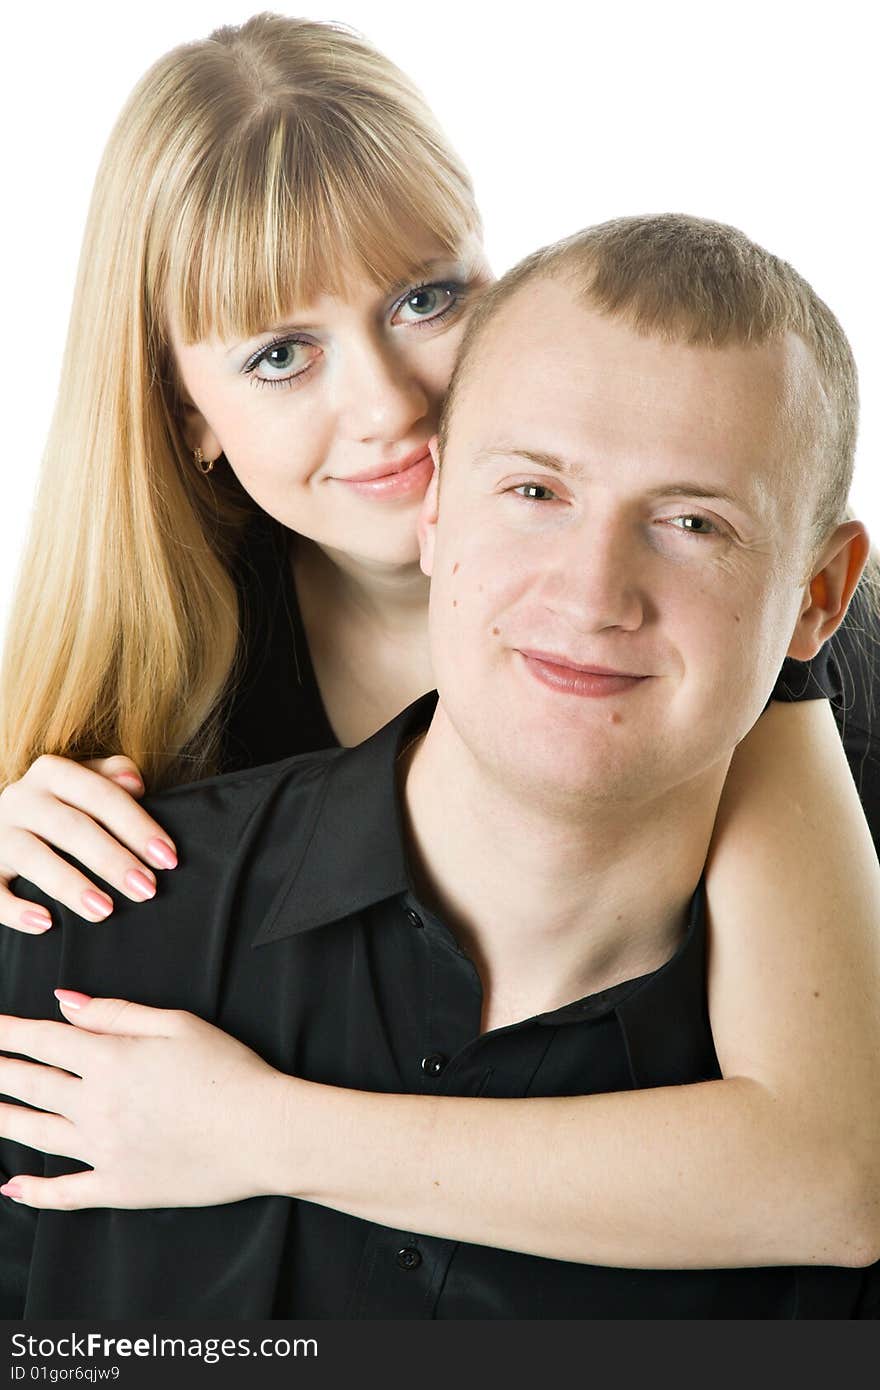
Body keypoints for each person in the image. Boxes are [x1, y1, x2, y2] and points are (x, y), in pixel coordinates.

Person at [0, 16, 878, 1275]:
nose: (390, 403)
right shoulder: (167, 715)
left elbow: (829, 1176)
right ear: (186, 415)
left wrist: (256, 1130)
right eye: (280, 354)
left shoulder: (716, 647)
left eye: (425, 298)